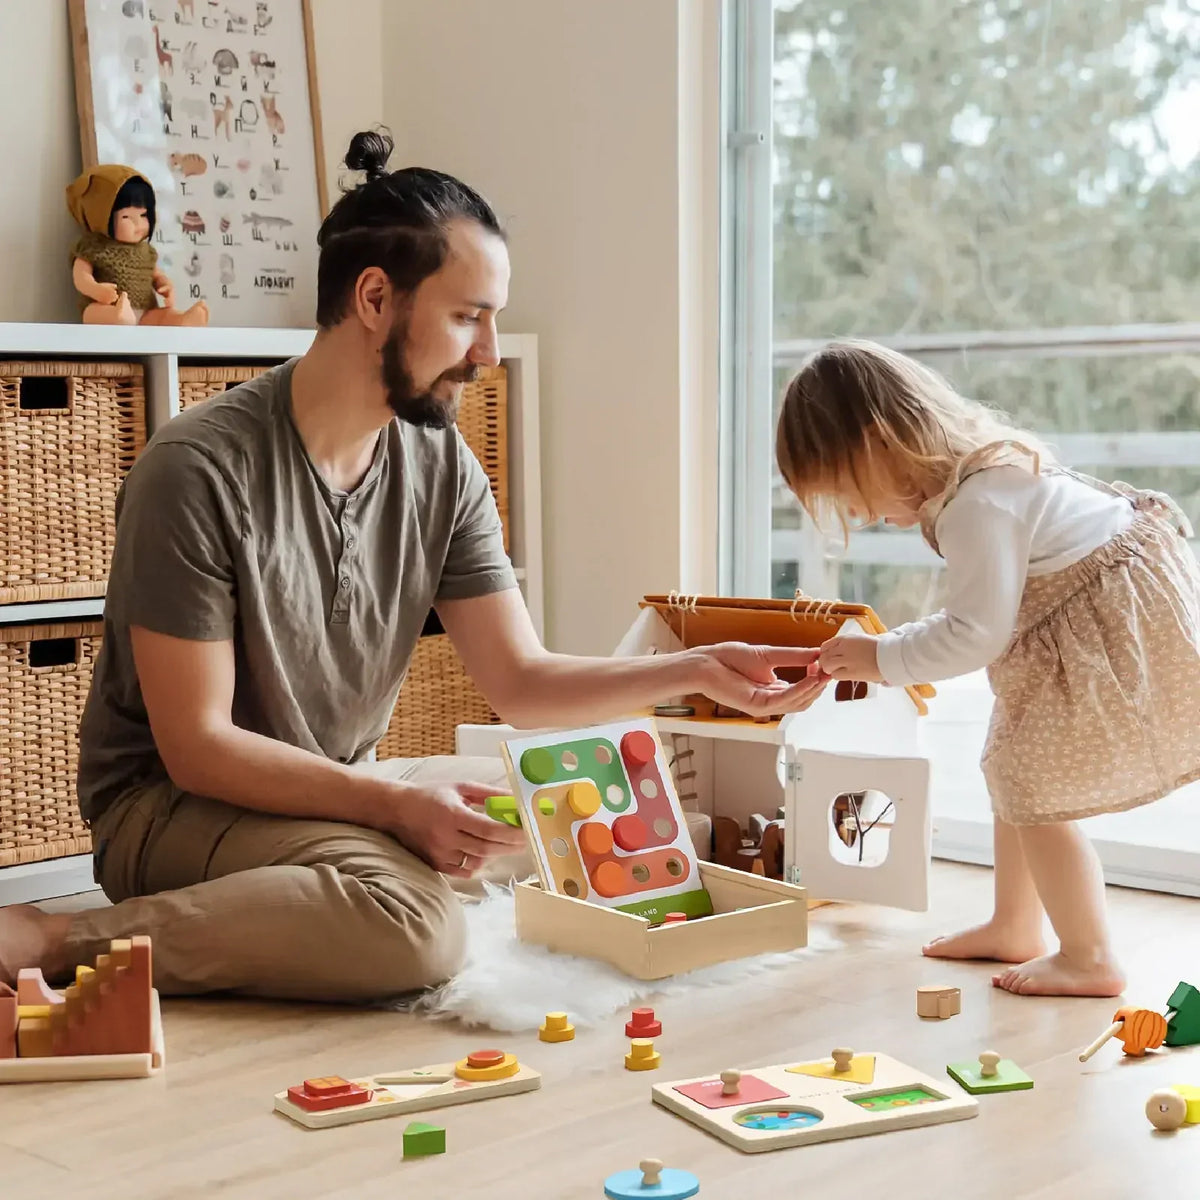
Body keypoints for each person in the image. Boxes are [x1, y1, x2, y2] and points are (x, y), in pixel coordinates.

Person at [0, 131, 825, 1003]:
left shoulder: (442, 465)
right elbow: (199, 749)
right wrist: (391, 810)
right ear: (374, 299)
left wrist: (696, 670)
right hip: (170, 811)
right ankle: (56, 937)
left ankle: (325, 883)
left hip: (329, 791)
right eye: (468, 316)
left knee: (550, 806)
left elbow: (521, 680)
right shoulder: (197, 468)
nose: (488, 352)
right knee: (417, 931)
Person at [778, 338, 1200, 997]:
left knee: (1033, 785)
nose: (861, 516)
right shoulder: (977, 479)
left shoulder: (978, 504)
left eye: (850, 494)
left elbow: (974, 633)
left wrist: (880, 656)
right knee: (1014, 766)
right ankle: (1015, 923)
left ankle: (1089, 956)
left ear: (880, 443)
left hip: (1107, 630)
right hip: (1081, 617)